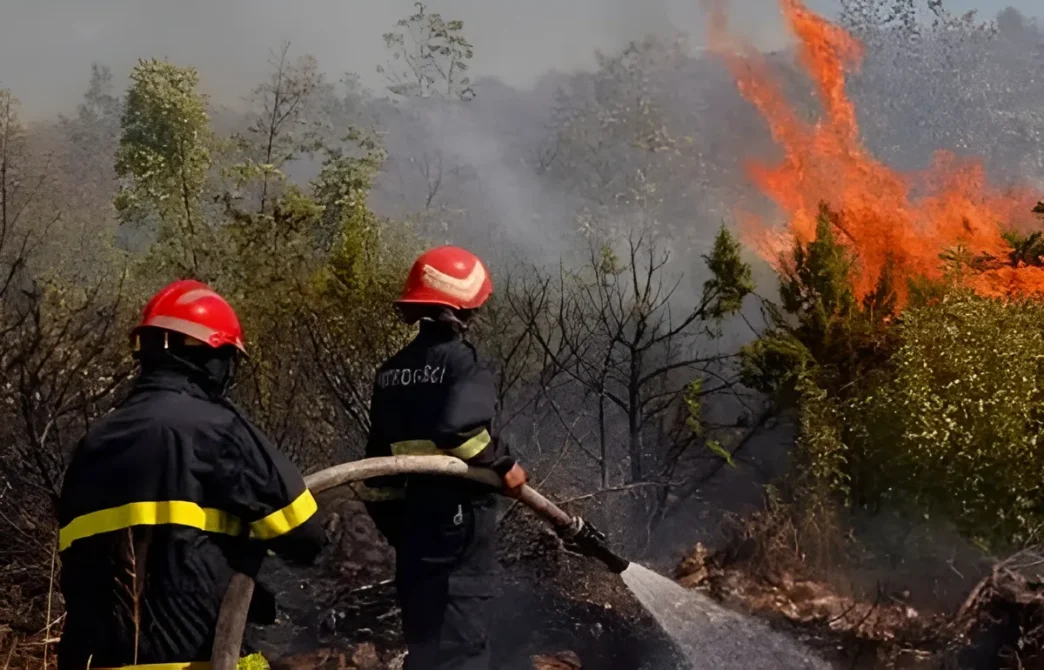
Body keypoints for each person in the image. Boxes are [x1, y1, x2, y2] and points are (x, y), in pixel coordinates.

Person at [57, 279, 325, 670]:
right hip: (196, 663)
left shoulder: (91, 444)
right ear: (212, 357)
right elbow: (305, 535)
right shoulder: (216, 430)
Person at [362, 245, 528, 670]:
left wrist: (407, 534)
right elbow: (461, 430)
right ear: (466, 305)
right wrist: (504, 464)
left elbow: (376, 476)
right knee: (461, 654)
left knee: (426, 653)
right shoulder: (463, 363)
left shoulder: (391, 372)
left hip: (415, 542)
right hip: (459, 538)